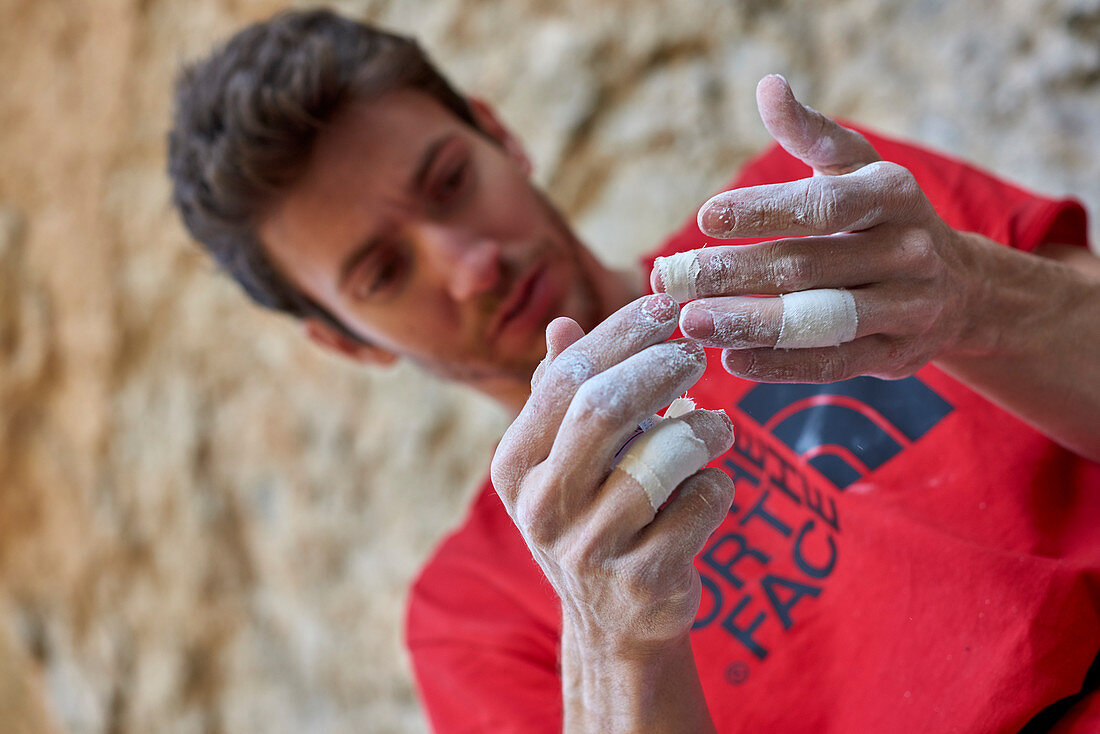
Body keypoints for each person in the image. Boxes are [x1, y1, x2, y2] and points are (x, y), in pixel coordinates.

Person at [167, 9, 1100, 732]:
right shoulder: (475, 612)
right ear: (348, 342)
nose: (467, 263)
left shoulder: (811, 210)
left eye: (450, 180)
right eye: (383, 272)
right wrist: (614, 648)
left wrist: (974, 296)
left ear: (501, 135)